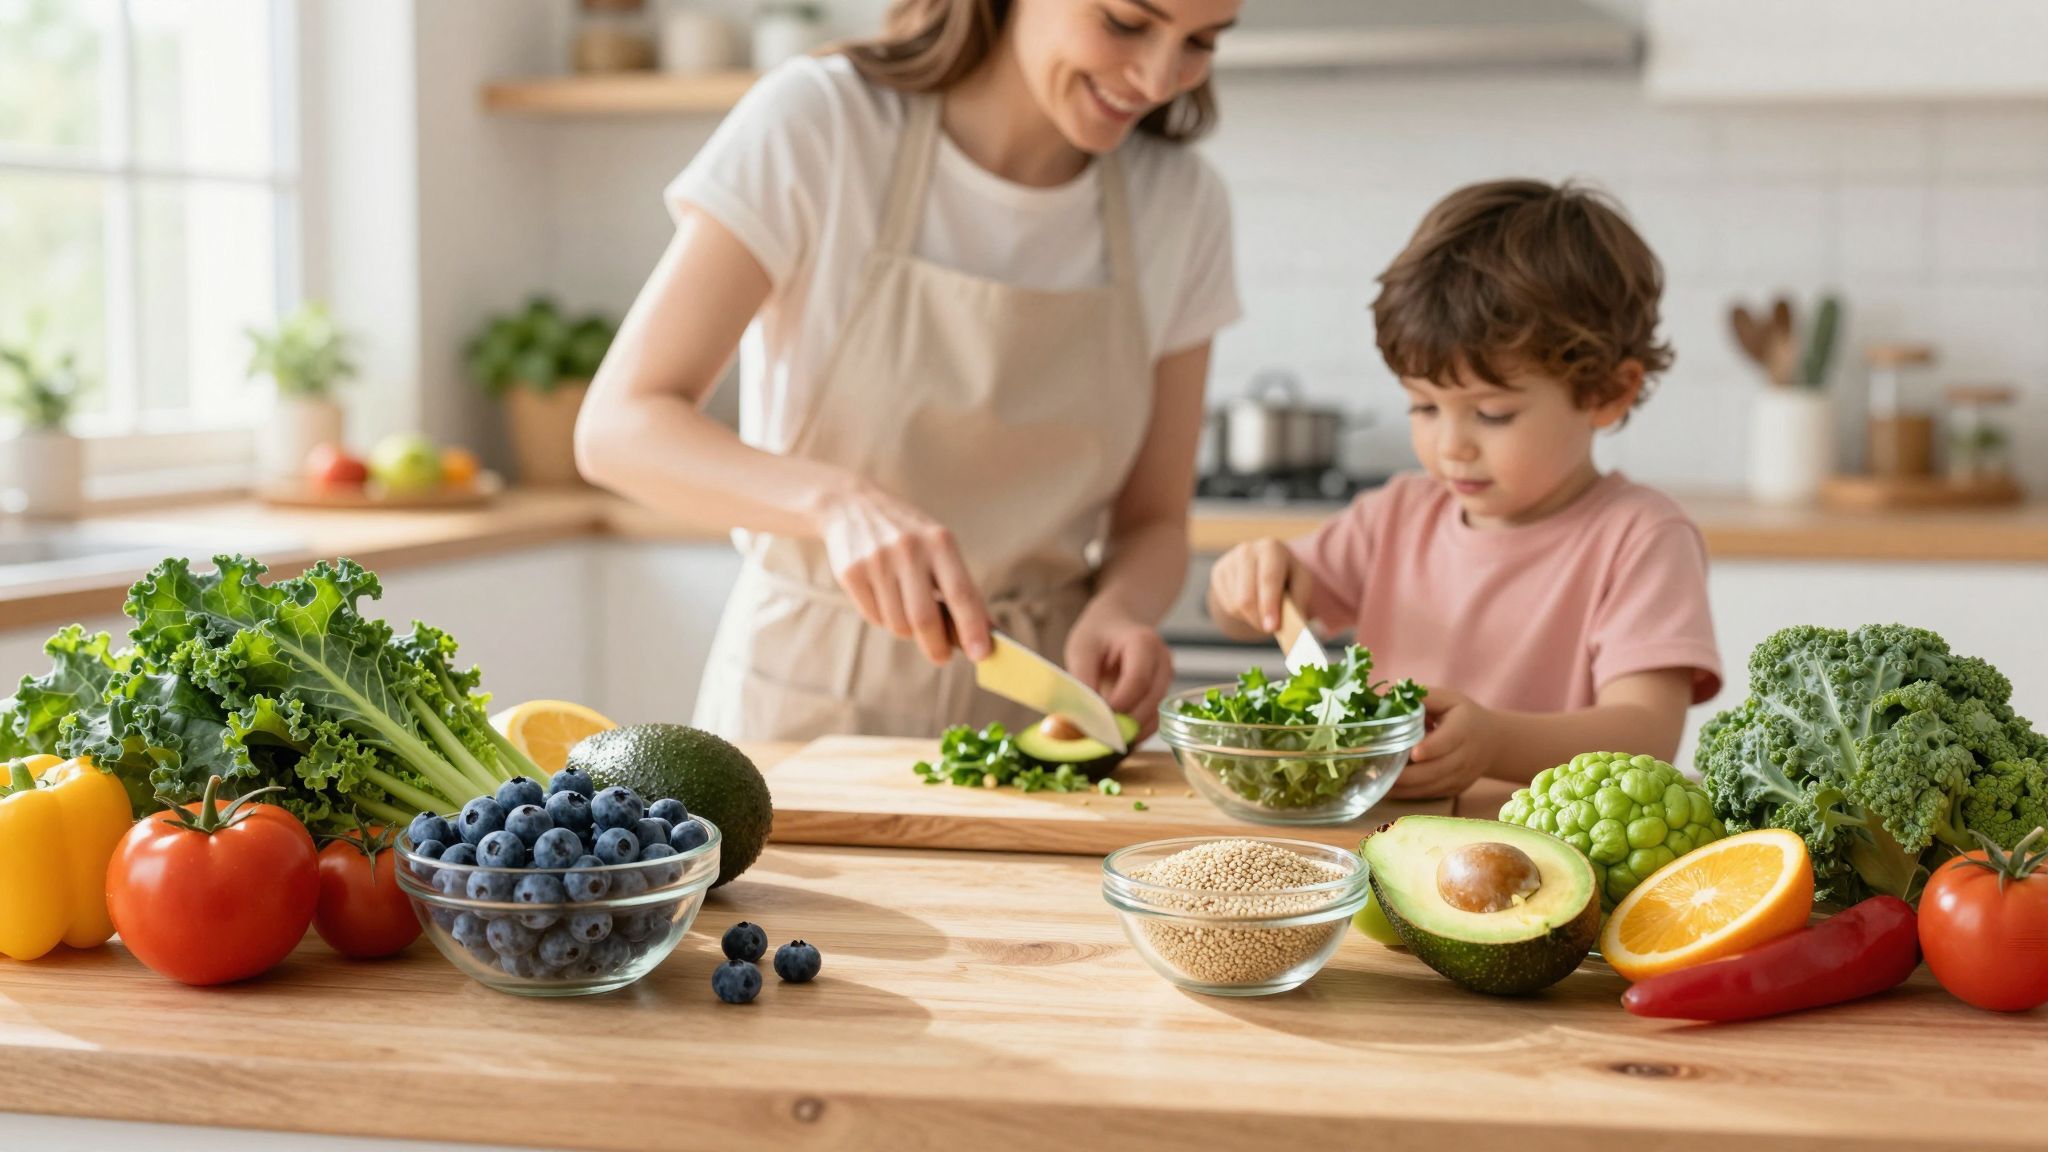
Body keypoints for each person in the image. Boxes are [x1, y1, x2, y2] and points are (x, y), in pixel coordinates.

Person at [575, 0, 1244, 741]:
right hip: (807, 700)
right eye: (1125, 22)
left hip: (1045, 705)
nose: (1158, 76)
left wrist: (1120, 608)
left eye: (1202, 41)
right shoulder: (822, 123)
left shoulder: (1183, 204)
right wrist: (835, 504)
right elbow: (618, 427)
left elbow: (1153, 523)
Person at [1206, 179, 1721, 806]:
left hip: (1549, 859)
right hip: (1392, 844)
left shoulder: (1641, 537)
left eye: (1493, 414)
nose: (1451, 446)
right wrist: (1245, 580)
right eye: (1423, 407)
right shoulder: (1396, 514)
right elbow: (1245, 613)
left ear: (1607, 393)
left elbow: (1646, 738)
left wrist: (1495, 741)